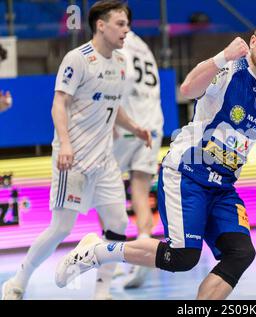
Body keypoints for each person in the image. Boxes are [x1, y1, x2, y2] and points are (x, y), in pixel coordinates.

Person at [54, 20, 256, 300]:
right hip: (187, 173)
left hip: (222, 188)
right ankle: (97, 251)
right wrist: (222, 57)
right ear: (253, 41)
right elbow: (188, 89)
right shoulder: (229, 69)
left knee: (241, 253)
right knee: (182, 257)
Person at [1, 0, 151, 300]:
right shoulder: (77, 58)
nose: (126, 30)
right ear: (101, 25)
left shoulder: (120, 63)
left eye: (127, 24)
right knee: (61, 228)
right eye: (120, 24)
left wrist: (134, 127)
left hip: (105, 159)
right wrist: (66, 144)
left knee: (119, 223)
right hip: (74, 159)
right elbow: (60, 103)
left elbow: (113, 104)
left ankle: (102, 291)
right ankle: (18, 281)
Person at [112, 29, 164, 289]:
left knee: (106, 192)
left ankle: (112, 257)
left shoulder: (118, 42)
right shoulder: (144, 46)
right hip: (153, 124)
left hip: (128, 125)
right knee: (141, 194)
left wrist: (111, 117)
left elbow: (122, 79)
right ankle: (143, 252)